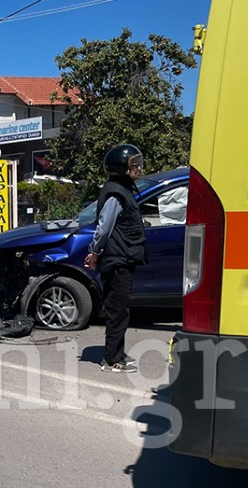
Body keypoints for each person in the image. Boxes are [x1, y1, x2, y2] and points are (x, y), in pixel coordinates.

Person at [83, 144, 148, 374]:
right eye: (134, 165)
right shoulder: (115, 193)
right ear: (121, 168)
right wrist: (94, 252)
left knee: (120, 309)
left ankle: (116, 353)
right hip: (117, 259)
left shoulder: (124, 188)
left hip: (124, 257)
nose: (138, 168)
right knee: (117, 310)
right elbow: (104, 227)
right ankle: (112, 361)